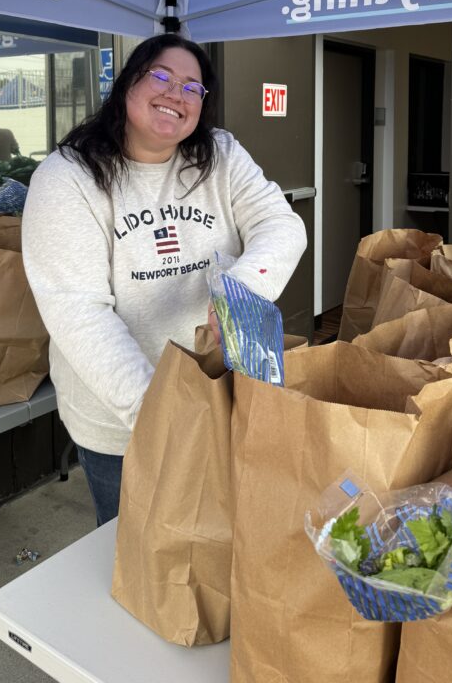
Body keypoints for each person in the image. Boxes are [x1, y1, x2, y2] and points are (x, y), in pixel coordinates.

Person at [21, 34, 307, 525]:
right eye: (161, 76)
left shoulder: (219, 153)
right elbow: (78, 311)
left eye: (193, 88)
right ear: (128, 82)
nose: (177, 93)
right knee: (141, 562)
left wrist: (241, 292)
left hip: (226, 387)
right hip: (126, 418)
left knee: (231, 542)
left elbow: (281, 225)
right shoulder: (68, 178)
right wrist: (160, 419)